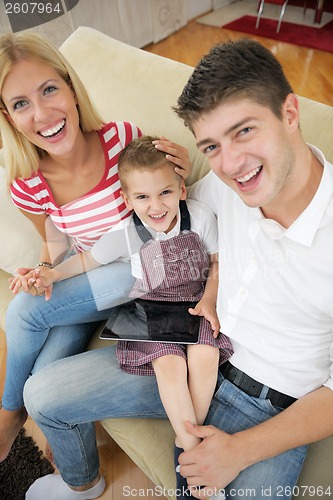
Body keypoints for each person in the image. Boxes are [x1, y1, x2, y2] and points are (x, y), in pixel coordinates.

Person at [20, 37, 333, 500]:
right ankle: (82, 483)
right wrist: (55, 262)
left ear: (289, 113)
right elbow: (156, 214)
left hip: (266, 406)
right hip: (179, 351)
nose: (232, 164)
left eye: (244, 131)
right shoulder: (224, 186)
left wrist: (240, 450)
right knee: (41, 395)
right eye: (212, 145)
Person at [0, 30, 190, 491]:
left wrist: (182, 166)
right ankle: (79, 470)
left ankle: (7, 416)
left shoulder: (121, 138)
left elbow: (161, 195)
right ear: (6, 116)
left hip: (145, 270)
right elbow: (59, 247)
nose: (42, 114)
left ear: (70, 87)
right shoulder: (27, 182)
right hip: (91, 280)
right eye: (21, 103)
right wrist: (44, 272)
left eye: (49, 90)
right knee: (42, 380)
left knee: (23, 312)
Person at [27, 135, 233, 498]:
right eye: (142, 197)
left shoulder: (199, 217)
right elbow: (89, 260)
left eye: (165, 193)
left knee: (207, 355)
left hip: (196, 305)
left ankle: (191, 441)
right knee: (170, 365)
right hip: (152, 313)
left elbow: (216, 262)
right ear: (127, 199)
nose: (156, 206)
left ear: (181, 189)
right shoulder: (126, 234)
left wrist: (211, 301)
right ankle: (192, 457)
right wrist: (53, 273)